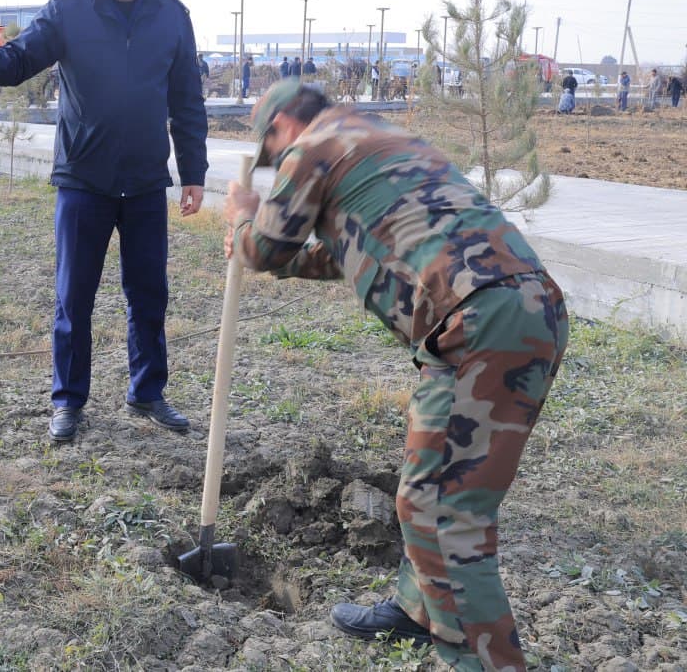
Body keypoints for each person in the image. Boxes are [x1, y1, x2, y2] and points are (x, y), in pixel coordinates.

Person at [223, 81, 567, 672]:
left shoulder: (314, 147)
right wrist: (280, 260)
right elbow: (352, 248)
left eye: (272, 152)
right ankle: (416, 609)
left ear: (281, 125)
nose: (277, 164)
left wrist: (243, 217)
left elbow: (266, 246)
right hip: (524, 309)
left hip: (477, 321)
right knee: (428, 482)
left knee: (443, 512)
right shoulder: (381, 139)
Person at [0, 0, 208, 443]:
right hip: (83, 181)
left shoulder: (172, 17)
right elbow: (20, 60)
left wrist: (193, 173)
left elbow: (187, 100)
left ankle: (147, 391)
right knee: (74, 297)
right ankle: (68, 401)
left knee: (149, 294)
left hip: (142, 183)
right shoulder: (70, 11)